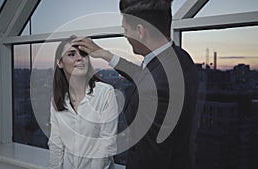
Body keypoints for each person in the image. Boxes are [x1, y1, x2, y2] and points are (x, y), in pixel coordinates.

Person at [71, 0, 199, 169]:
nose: (124, 35)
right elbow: (148, 77)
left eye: (125, 29)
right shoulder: (180, 58)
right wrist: (106, 55)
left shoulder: (154, 90)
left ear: (140, 31)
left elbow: (151, 160)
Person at [48, 35, 118, 169]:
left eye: (84, 54)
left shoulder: (105, 93)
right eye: (71, 54)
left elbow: (106, 144)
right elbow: (56, 144)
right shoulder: (57, 101)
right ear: (60, 63)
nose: (80, 58)